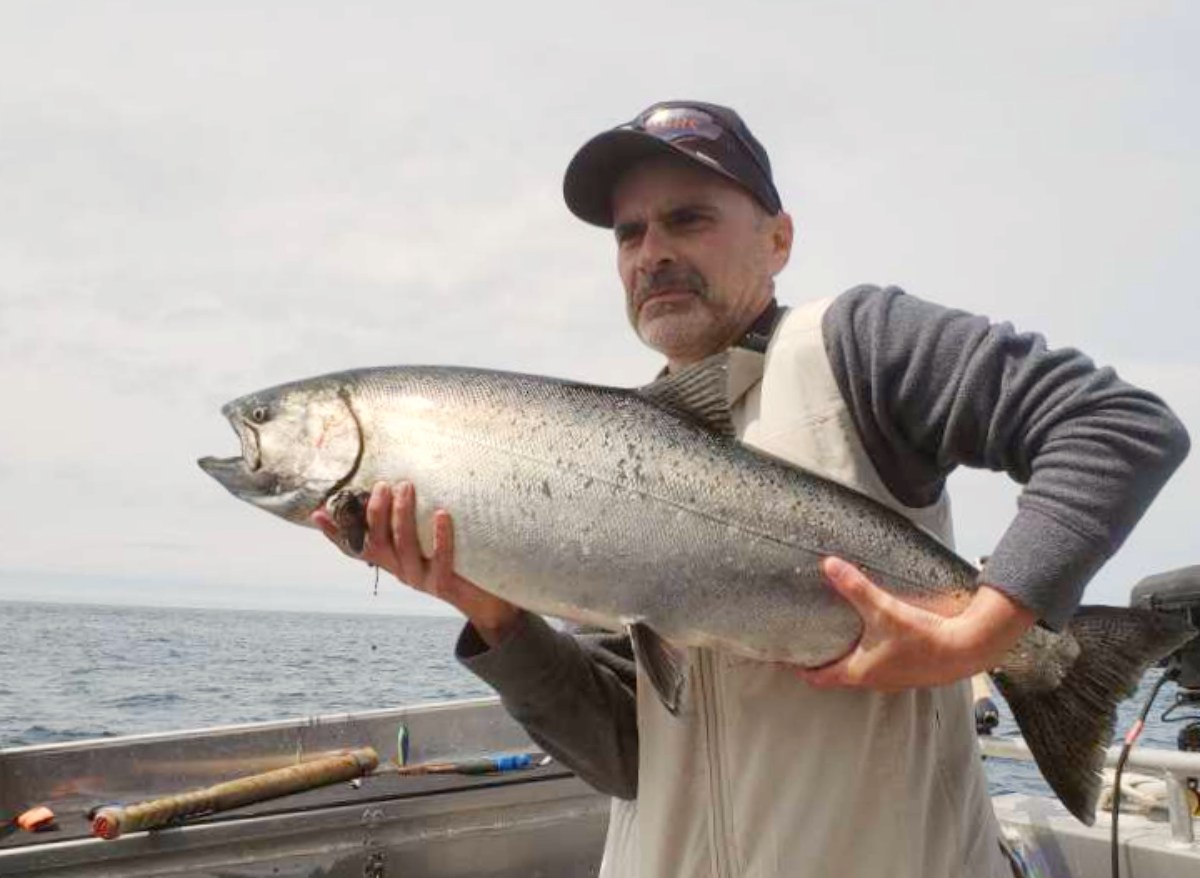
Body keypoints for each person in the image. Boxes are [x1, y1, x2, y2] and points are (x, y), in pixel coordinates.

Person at [313, 101, 1190, 877]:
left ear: (779, 239)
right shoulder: (597, 468)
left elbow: (1116, 425)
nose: (652, 253)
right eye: (629, 234)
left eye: (688, 218)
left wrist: (983, 636)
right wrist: (497, 616)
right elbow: (625, 755)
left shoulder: (860, 345)